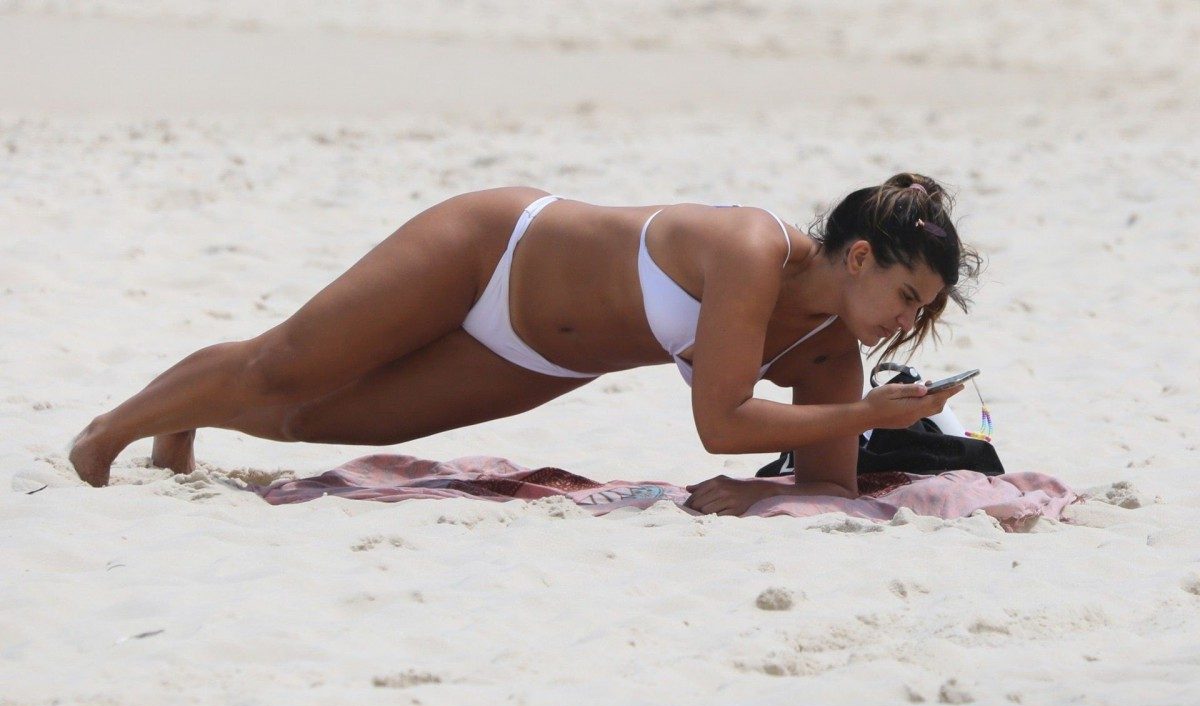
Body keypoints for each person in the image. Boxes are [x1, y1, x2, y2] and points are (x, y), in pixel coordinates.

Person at [69, 173, 982, 512]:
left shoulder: (830, 356)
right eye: (905, 294)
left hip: (538, 357)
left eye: (923, 310)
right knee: (286, 365)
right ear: (857, 255)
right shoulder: (753, 248)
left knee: (316, 420)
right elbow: (720, 420)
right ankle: (109, 432)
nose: (905, 322)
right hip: (490, 250)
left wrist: (753, 491)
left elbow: (826, 486)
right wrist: (869, 413)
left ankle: (189, 424)